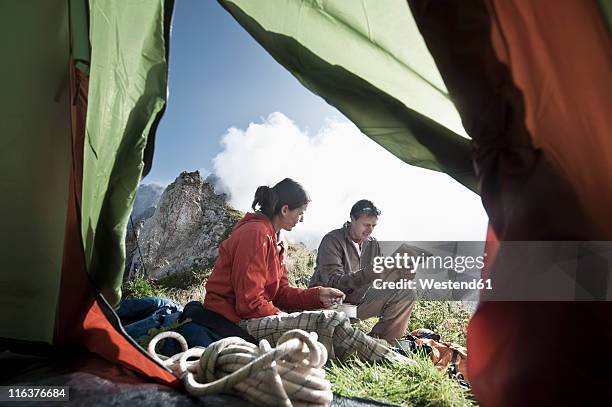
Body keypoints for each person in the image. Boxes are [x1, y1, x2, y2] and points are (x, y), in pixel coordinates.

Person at [203, 179, 409, 363]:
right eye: (300, 213)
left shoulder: (277, 239)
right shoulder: (255, 234)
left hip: (256, 316)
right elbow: (248, 305)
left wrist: (317, 295)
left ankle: (384, 353)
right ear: (285, 210)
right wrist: (285, 317)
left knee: (330, 323)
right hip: (235, 321)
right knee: (329, 321)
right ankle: (391, 359)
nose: (301, 219)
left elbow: (281, 293)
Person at [309, 199, 416, 343]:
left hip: (356, 306)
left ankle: (382, 344)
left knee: (406, 292)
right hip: (330, 307)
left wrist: (401, 275)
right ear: (352, 219)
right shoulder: (332, 240)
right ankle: (360, 344)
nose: (370, 230)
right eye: (366, 225)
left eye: (373, 225)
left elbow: (380, 279)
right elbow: (333, 283)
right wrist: (368, 273)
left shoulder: (372, 244)